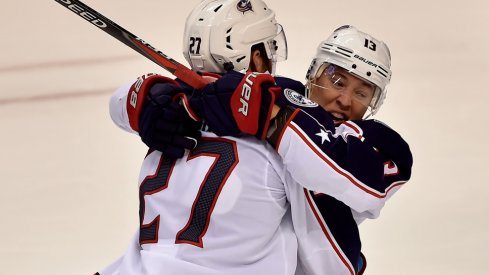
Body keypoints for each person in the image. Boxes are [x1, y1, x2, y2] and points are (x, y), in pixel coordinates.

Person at [101, 1, 412, 275]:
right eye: (337, 80)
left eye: (362, 92)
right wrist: (151, 96)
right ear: (312, 75)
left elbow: (360, 174)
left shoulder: (324, 135)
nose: (346, 99)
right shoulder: (186, 111)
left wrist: (139, 99)